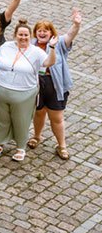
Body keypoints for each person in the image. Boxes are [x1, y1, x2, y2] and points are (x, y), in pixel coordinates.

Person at [0, 20, 57, 162]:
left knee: (21, 121)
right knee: (1, 119)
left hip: (24, 93)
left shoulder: (37, 52)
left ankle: (20, 147)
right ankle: (0, 143)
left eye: (26, 35)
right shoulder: (6, 46)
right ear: (15, 35)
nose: (23, 37)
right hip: (1, 89)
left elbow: (49, 63)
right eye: (20, 34)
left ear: (30, 36)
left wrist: (53, 48)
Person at [30, 9, 81, 160]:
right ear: (35, 33)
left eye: (46, 30)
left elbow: (70, 35)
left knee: (56, 117)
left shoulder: (58, 43)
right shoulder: (31, 45)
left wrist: (76, 24)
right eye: (39, 30)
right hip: (37, 84)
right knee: (39, 112)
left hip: (55, 84)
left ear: (51, 32)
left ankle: (62, 145)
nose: (42, 33)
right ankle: (37, 136)